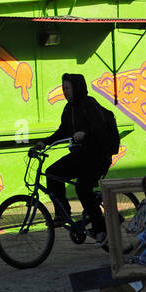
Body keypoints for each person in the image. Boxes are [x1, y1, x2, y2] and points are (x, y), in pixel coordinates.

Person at [43, 72, 112, 241]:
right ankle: (62, 214)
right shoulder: (69, 109)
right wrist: (43, 143)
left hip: (98, 157)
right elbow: (62, 131)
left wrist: (85, 133)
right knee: (52, 173)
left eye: (68, 88)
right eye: (63, 88)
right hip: (81, 157)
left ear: (76, 88)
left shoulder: (89, 104)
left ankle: (100, 229)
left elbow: (99, 127)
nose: (65, 91)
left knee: (82, 188)